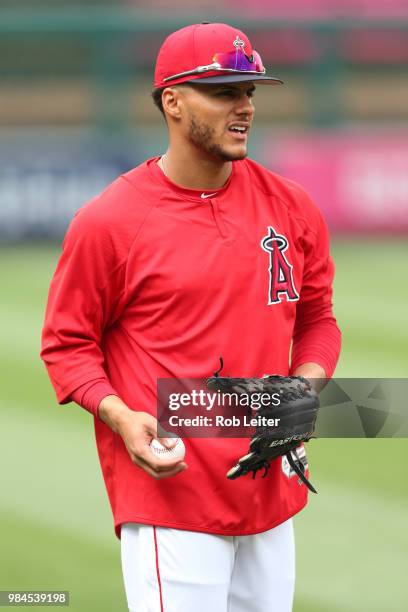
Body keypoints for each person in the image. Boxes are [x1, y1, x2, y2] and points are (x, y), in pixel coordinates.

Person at [41, 22, 341, 612]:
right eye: (225, 91)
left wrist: (305, 388)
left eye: (250, 91)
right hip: (170, 500)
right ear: (172, 102)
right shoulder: (111, 222)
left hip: (269, 492)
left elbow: (318, 319)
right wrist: (122, 416)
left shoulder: (291, 205)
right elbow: (66, 345)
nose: (245, 106)